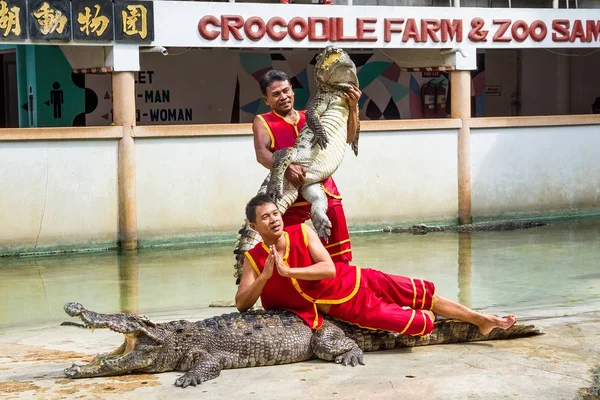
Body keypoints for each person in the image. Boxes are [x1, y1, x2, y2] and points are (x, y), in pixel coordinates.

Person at [235, 194, 517, 336]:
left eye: (275, 213)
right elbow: (242, 304)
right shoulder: (254, 258)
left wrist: (288, 272)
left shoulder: (301, 231)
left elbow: (329, 269)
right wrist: (264, 277)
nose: (274, 219)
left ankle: (481, 319)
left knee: (421, 293)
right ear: (254, 225)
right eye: (265, 217)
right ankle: (466, 320)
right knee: (413, 322)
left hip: (354, 279)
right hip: (343, 305)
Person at [252, 69, 361, 265]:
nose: (283, 97)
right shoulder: (263, 121)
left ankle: (340, 286)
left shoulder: (311, 116)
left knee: (338, 252)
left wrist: (353, 107)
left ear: (293, 91)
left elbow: (349, 138)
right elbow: (262, 154)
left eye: (286, 91)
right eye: (275, 94)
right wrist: (286, 168)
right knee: (292, 254)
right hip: (289, 192)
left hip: (322, 187)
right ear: (266, 99)